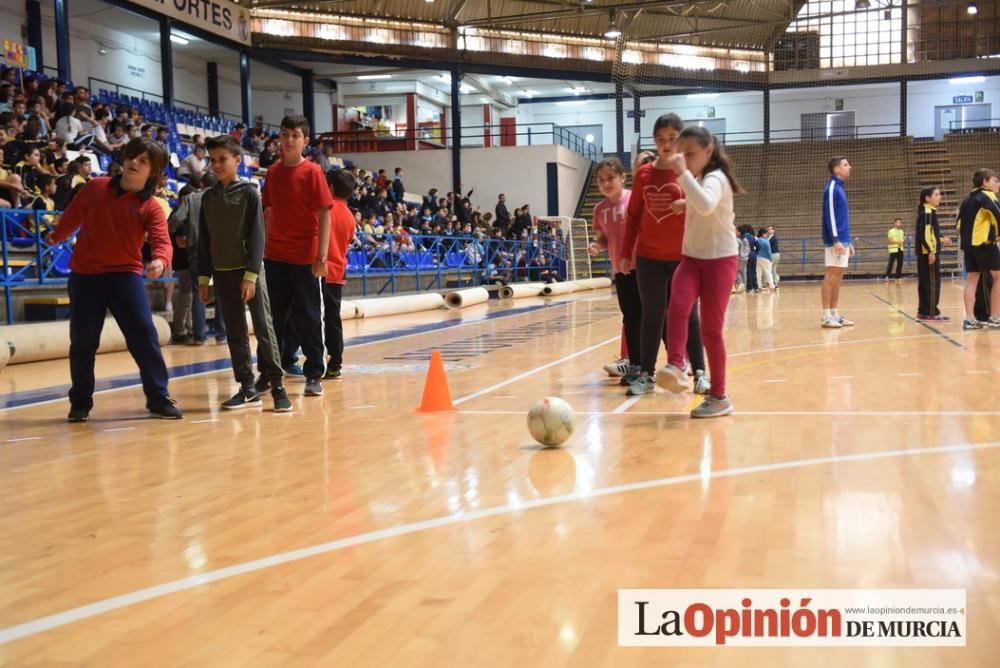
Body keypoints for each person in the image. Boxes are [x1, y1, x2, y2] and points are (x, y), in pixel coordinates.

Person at [46, 137, 183, 421]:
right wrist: (56, 235)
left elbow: (162, 241)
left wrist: (159, 260)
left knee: (144, 337)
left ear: (153, 173)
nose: (134, 163)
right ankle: (80, 403)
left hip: (125, 277)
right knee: (83, 342)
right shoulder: (95, 187)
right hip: (85, 276)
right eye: (132, 156)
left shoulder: (152, 207)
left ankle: (158, 397)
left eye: (143, 161)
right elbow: (72, 217)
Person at [653, 126, 743, 418]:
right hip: (692, 258)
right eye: (681, 153)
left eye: (689, 153)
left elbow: (705, 204)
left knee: (711, 331)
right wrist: (685, 200)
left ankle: (720, 396)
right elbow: (699, 200)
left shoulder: (716, 178)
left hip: (720, 260)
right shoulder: (702, 177)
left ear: (708, 151)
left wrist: (682, 174)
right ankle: (677, 365)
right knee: (677, 306)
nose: (683, 158)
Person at [198, 134, 291, 412]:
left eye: (222, 159)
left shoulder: (250, 192)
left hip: (249, 272)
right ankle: (247, 387)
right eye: (212, 160)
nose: (216, 165)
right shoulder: (208, 198)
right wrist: (204, 278)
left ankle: (277, 386)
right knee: (235, 332)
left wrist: (251, 274)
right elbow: (204, 241)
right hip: (222, 274)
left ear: (237, 160)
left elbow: (257, 236)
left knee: (264, 328)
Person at [620, 113, 708, 396]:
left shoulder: (690, 172)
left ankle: (701, 374)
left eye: (672, 138)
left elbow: (707, 208)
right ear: (654, 142)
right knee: (653, 314)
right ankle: (646, 375)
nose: (667, 144)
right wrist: (625, 253)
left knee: (689, 315)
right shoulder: (644, 174)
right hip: (648, 258)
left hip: (684, 256)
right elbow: (633, 216)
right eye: (661, 139)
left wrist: (688, 203)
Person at [260, 115, 333, 396]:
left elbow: (324, 214)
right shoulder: (273, 173)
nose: (289, 139)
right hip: (275, 255)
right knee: (272, 318)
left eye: (295, 135)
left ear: (305, 140)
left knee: (309, 316)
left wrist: (322, 256)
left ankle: (314, 372)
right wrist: (263, 249)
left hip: (305, 257)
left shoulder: (313, 172)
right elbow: (268, 212)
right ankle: (269, 373)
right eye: (284, 134)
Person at [587, 158, 638, 382]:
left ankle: (679, 359)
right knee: (630, 317)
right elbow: (603, 238)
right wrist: (597, 246)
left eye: (610, 178)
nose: (606, 183)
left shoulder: (635, 200)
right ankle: (630, 361)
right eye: (601, 180)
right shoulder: (600, 209)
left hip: (645, 267)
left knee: (656, 317)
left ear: (622, 178)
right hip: (620, 269)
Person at [322, 169, 359, 380]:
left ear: (331, 187)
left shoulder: (324, 209)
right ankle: (335, 362)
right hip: (338, 272)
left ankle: (311, 361)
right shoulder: (350, 216)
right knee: (332, 318)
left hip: (320, 270)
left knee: (311, 318)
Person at [956, 168, 1000, 330]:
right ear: (985, 182)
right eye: (995, 181)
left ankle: (969, 319)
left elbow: (958, 225)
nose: (998, 184)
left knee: (972, 280)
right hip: (985, 244)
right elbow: (998, 216)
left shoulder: (968, 199)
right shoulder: (987, 196)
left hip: (968, 246)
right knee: (998, 277)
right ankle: (995, 318)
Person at [821, 156, 855, 329]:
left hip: (843, 239)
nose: (850, 167)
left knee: (838, 276)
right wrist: (836, 240)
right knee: (831, 274)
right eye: (846, 164)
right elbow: (831, 217)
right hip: (835, 240)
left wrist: (847, 241)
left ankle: (834, 312)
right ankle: (826, 315)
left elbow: (841, 218)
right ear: (836, 170)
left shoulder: (840, 188)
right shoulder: (832, 188)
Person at [915, 187, 950, 322]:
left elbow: (930, 234)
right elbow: (925, 234)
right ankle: (932, 312)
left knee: (925, 283)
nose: (939, 197)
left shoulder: (926, 212)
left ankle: (923, 311)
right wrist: (931, 251)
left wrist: (941, 239)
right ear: (927, 198)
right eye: (936, 194)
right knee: (932, 283)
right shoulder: (928, 212)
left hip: (924, 253)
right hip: (928, 253)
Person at [755, 227, 775, 292]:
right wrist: (771, 259)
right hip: (766, 259)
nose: (767, 235)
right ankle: (772, 286)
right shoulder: (766, 241)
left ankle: (759, 286)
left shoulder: (757, 240)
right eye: (766, 234)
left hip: (758, 258)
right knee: (768, 273)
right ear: (763, 234)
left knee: (758, 273)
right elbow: (769, 251)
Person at [886, 217, 905, 283]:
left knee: (900, 263)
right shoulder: (891, 231)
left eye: (900, 222)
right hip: (893, 249)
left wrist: (902, 241)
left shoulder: (902, 231)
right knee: (891, 263)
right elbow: (889, 240)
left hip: (900, 249)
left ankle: (898, 277)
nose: (899, 224)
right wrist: (897, 242)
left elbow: (902, 239)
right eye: (897, 222)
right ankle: (887, 276)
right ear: (895, 223)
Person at [767, 224, 781, 289]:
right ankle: (775, 282)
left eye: (770, 229)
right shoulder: (771, 237)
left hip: (774, 254)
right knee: (773, 270)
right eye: (768, 229)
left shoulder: (772, 237)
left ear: (774, 230)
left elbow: (769, 247)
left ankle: (774, 283)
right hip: (776, 254)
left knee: (771, 270)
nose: (769, 230)